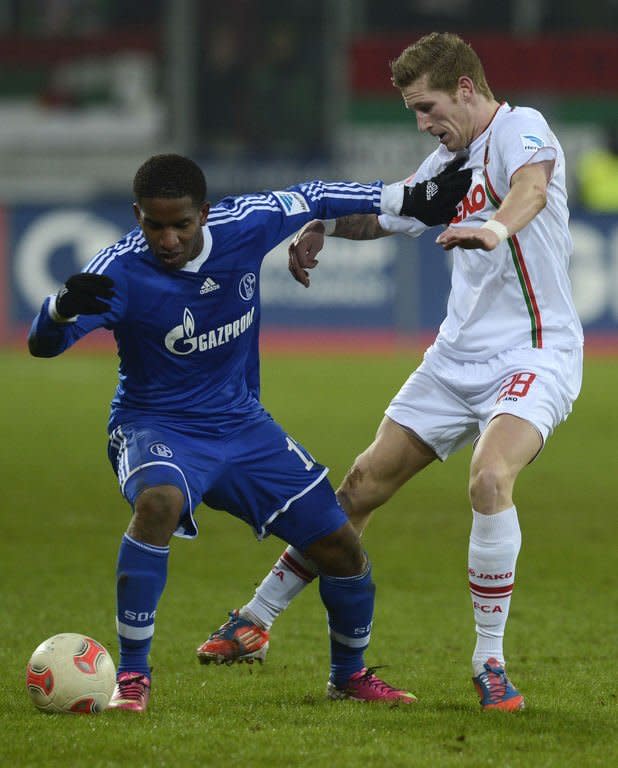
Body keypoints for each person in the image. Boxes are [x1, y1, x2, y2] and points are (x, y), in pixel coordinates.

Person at [198, 32, 584, 712]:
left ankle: (489, 661)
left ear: (466, 88)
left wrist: (493, 229)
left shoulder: (522, 128)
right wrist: (327, 225)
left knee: (491, 478)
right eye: (414, 111)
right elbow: (392, 214)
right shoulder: (447, 159)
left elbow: (530, 188)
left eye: (427, 106)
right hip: (453, 360)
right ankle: (255, 620)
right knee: (355, 490)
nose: (423, 122)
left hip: (535, 351)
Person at [28, 152, 471, 711]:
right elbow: (43, 345)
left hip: (241, 425)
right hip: (154, 424)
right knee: (159, 502)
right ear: (138, 215)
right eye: (154, 225)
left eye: (181, 225)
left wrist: (403, 200)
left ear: (205, 215)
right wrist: (61, 309)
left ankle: (349, 678)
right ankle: (133, 680)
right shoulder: (117, 271)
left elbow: (314, 195)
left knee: (341, 548)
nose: (167, 239)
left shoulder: (246, 223)